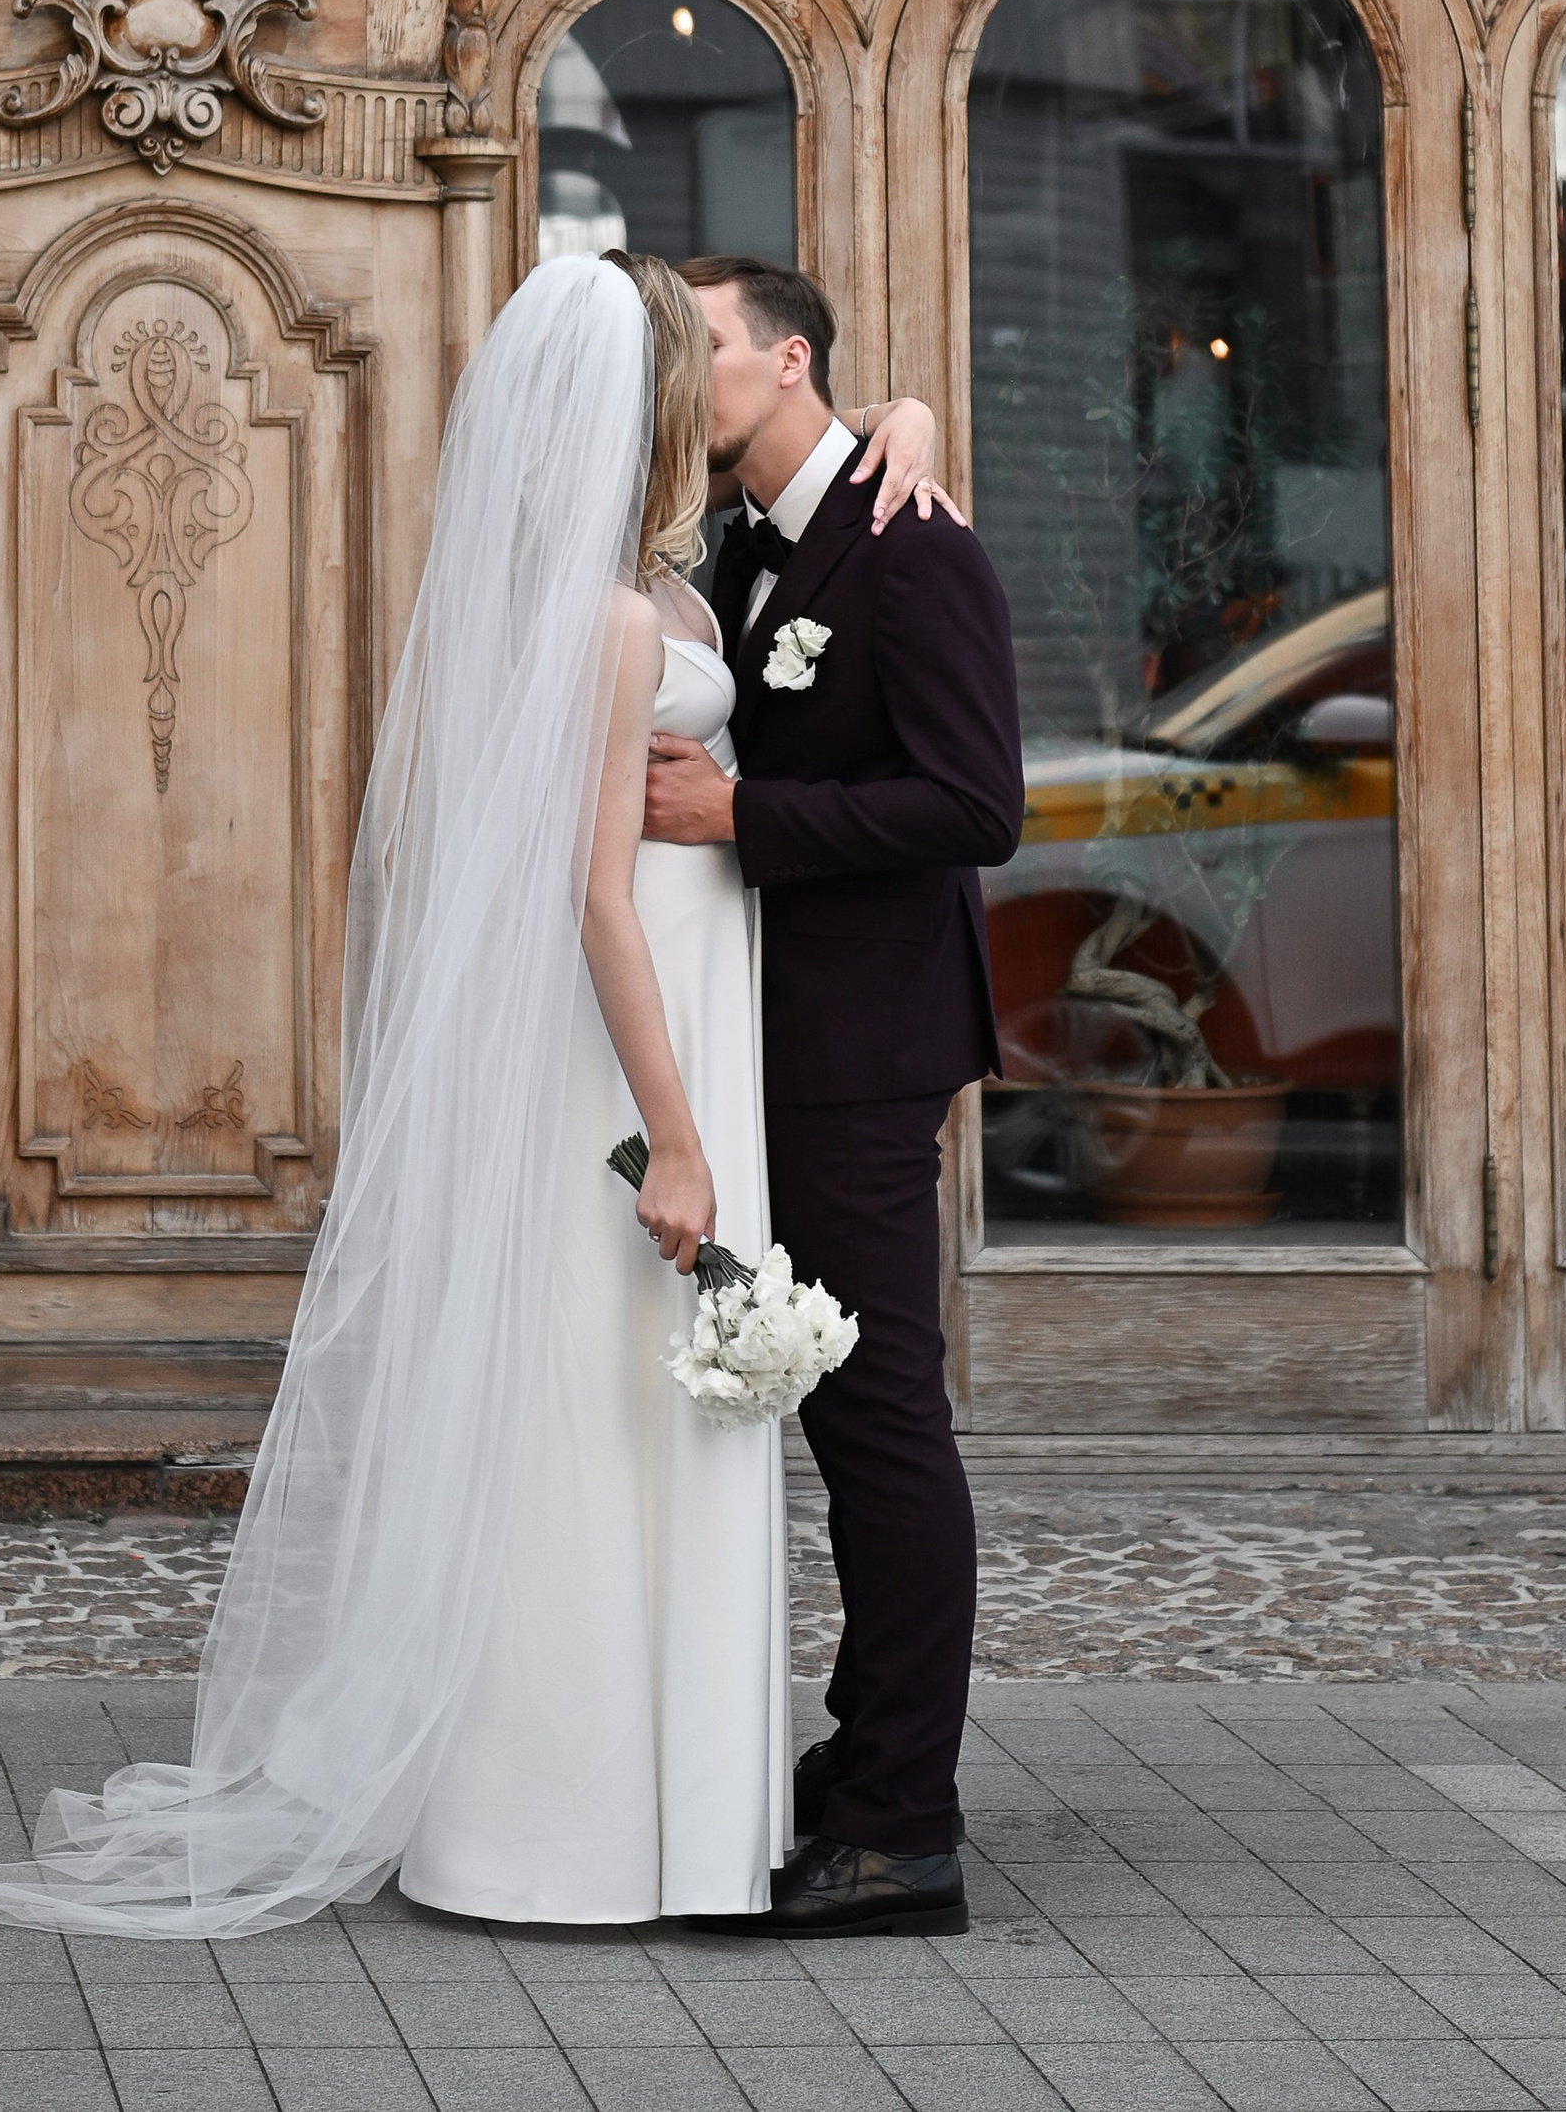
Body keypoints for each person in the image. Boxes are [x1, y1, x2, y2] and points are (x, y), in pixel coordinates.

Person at [0, 249, 942, 1940]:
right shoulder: (621, 613)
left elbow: (827, 469)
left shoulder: (681, 573)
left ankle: (661, 1816)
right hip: (639, 1055)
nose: (704, 382)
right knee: (605, 1419)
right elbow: (595, 890)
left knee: (638, 1415)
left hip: (677, 1031)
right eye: (676, 360)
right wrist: (681, 1139)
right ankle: (581, 1825)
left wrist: (901, 413)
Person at [644, 253, 1025, 1943]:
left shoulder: (914, 542)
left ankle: (903, 1825)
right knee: (820, 1408)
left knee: (880, 1421)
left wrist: (748, 829)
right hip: (762, 1040)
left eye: (703, 349)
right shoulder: (739, 535)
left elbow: (972, 803)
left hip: (867, 1047)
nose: (681, 376)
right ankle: (859, 1755)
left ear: (786, 362)